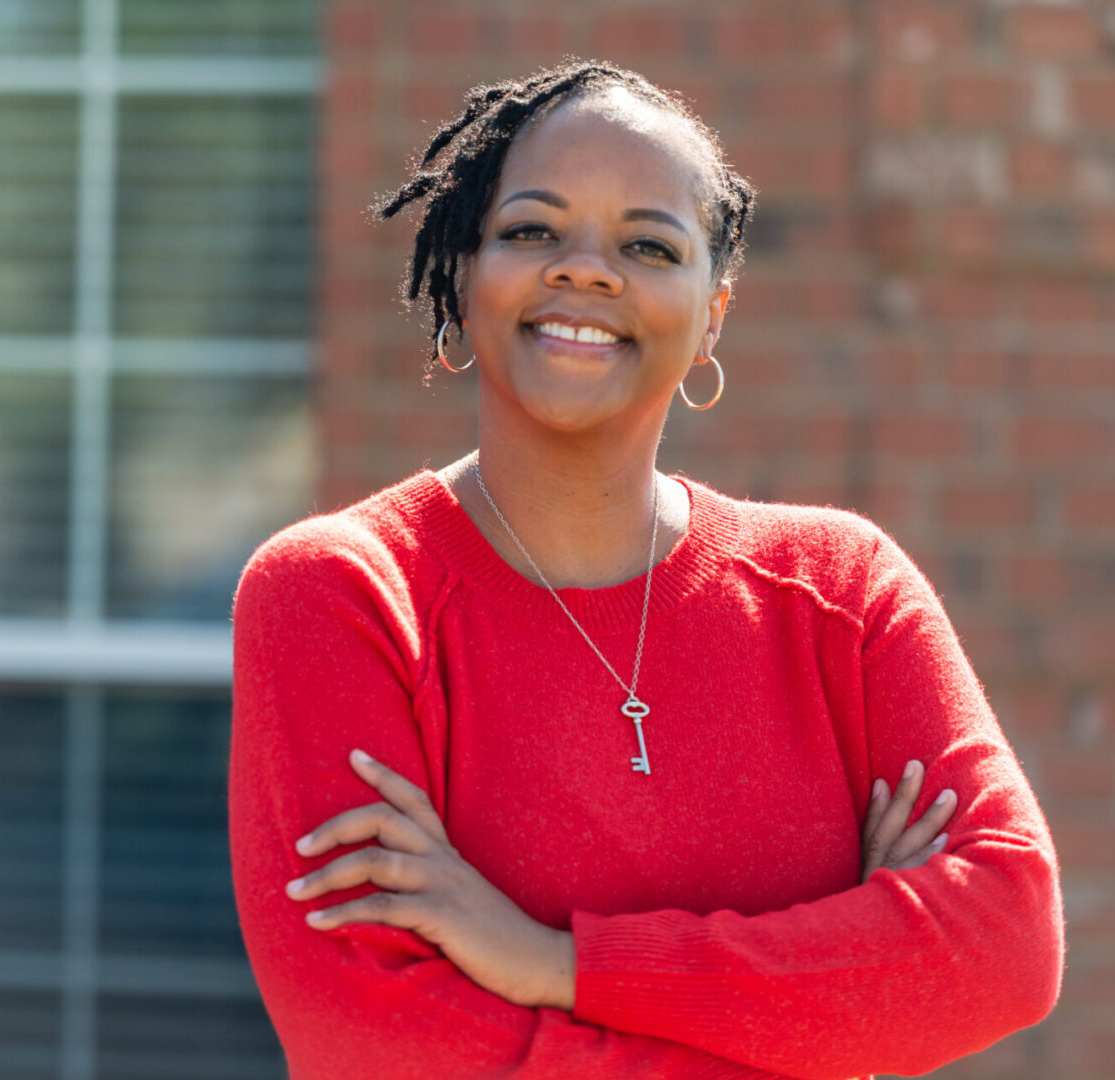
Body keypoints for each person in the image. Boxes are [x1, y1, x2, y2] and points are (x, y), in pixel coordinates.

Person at [229, 59, 1064, 1079]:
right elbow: (380, 1040)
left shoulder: (840, 595)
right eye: (532, 231)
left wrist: (559, 966)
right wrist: (835, 992)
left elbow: (1007, 948)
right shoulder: (344, 595)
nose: (586, 270)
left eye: (648, 244)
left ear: (712, 311)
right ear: (460, 268)